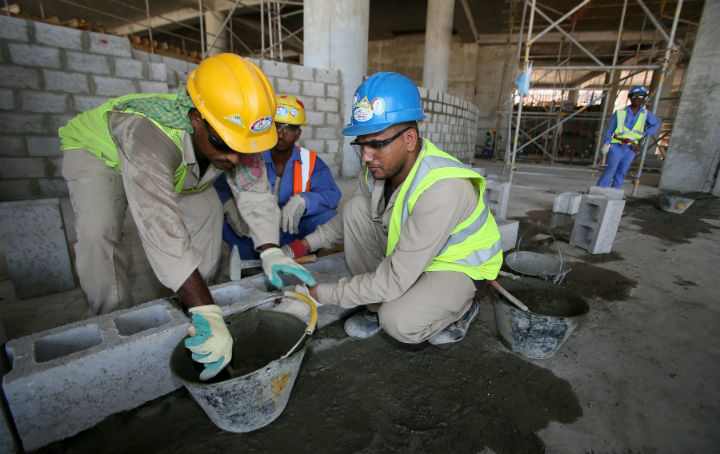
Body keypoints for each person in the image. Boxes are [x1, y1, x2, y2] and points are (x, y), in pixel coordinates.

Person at [58, 53, 315, 380]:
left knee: (207, 208)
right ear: (196, 118)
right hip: (99, 155)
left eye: (243, 146)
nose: (235, 156)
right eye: (224, 143)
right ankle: (114, 323)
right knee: (100, 233)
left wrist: (270, 248)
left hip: (181, 166)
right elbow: (159, 224)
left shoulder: (231, 133)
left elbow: (253, 191)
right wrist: (207, 308)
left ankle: (192, 304)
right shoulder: (147, 133)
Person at [283, 72, 503, 345]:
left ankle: (461, 309)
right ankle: (376, 306)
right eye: (361, 145)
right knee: (356, 209)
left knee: (398, 322)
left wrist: (315, 295)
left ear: (410, 139)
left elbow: (395, 278)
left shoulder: (443, 188)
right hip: (417, 255)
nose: (366, 156)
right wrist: (299, 247)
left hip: (455, 264)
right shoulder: (377, 168)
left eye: (376, 144)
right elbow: (346, 222)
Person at [213, 94, 341, 260]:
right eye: (277, 126)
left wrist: (305, 201)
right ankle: (248, 264)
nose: (281, 134)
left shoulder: (311, 161)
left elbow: (332, 194)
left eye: (289, 128)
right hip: (253, 231)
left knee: (330, 217)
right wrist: (228, 204)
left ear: (298, 134)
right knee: (217, 213)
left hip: (293, 229)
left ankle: (299, 253)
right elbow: (220, 186)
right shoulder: (250, 156)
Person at [597, 86, 660, 187]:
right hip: (617, 145)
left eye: (640, 96)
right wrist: (606, 143)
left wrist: (644, 133)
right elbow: (610, 129)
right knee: (610, 169)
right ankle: (600, 190)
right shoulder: (620, 113)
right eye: (634, 96)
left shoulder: (645, 115)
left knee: (622, 171)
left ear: (644, 98)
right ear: (630, 97)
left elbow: (656, 124)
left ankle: (615, 191)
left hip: (631, 148)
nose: (637, 98)